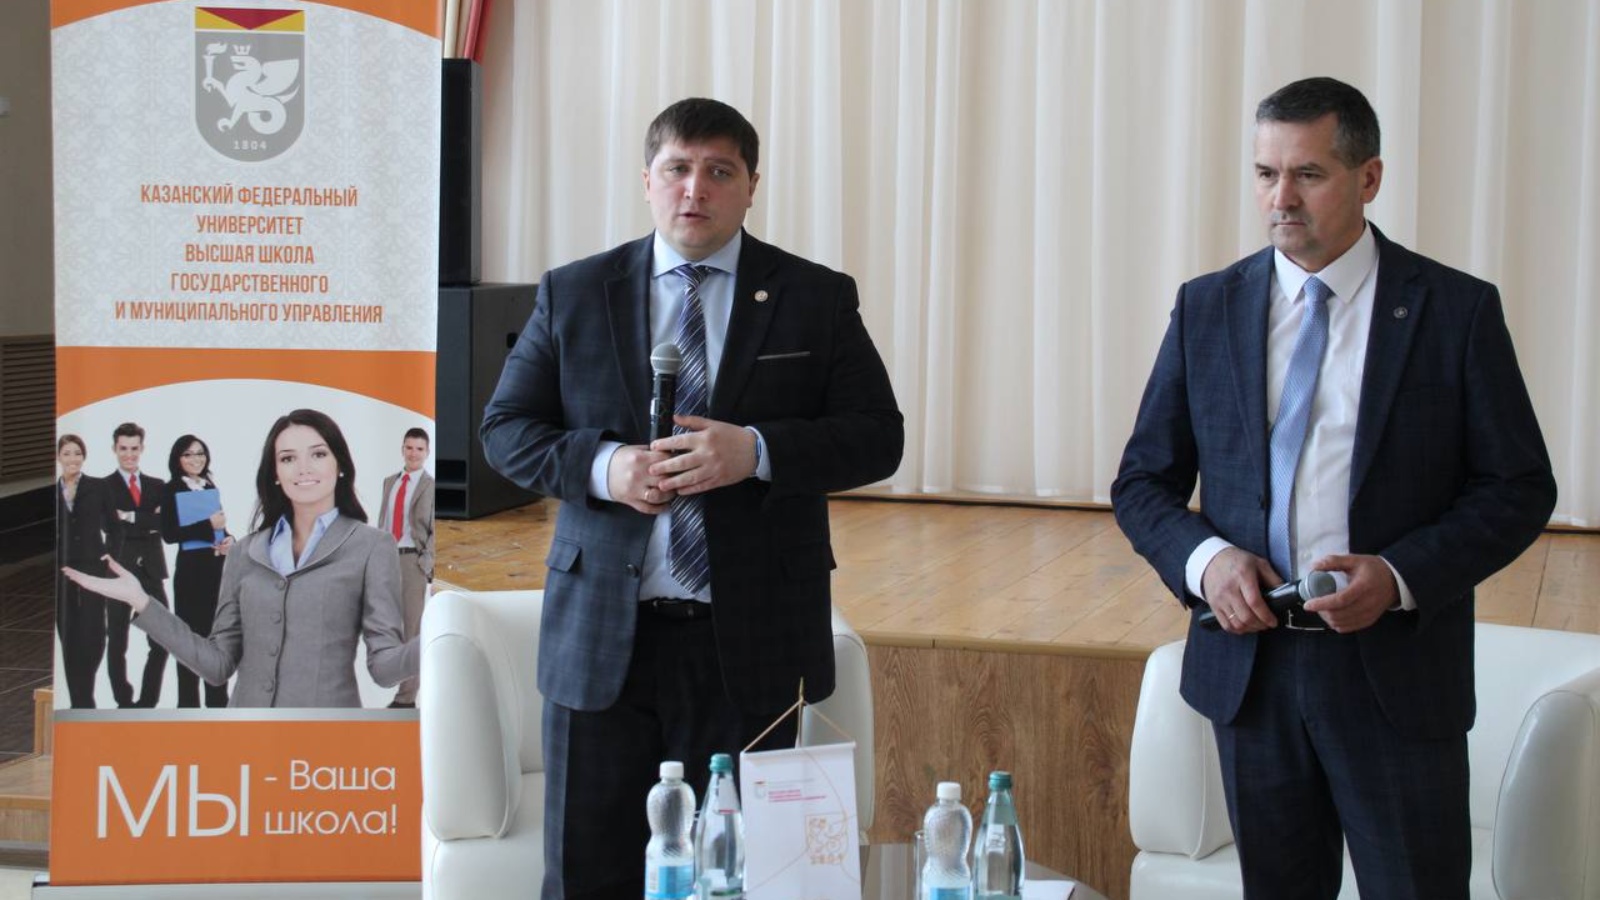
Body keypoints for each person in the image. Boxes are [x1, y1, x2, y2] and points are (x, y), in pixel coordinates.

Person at [1111, 76, 1556, 899]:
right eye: (1265, 173)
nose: (1281, 198)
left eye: (1308, 174)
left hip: (1394, 675)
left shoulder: (1454, 310)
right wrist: (1207, 562)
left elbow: (1519, 486)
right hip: (1252, 671)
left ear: (1369, 177)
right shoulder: (1207, 307)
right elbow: (1142, 481)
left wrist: (1399, 576)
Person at [480, 97, 903, 897]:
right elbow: (505, 431)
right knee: (586, 878)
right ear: (647, 180)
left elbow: (879, 437)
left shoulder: (814, 296)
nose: (694, 190)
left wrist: (758, 452)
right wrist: (607, 468)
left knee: (741, 879)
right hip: (603, 644)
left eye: (719, 172)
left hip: (751, 644)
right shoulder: (576, 292)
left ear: (751, 187)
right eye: (676, 169)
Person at [66, 409, 419, 708]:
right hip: (244, 742)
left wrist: (436, 637)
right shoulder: (244, 552)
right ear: (276, 473)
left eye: (318, 454)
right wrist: (141, 601)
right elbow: (218, 664)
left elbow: (384, 669)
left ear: (340, 463)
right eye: (288, 458)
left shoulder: (372, 546)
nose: (303, 468)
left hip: (327, 746)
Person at [100, 422, 171, 708]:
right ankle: (124, 703)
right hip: (119, 571)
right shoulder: (103, 487)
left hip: (152, 570)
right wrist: (147, 520)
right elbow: (108, 525)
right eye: (123, 448)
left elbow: (164, 524)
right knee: (117, 640)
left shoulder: (158, 485)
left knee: (163, 638)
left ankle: (147, 704)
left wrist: (128, 516)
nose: (129, 454)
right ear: (114, 449)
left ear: (142, 448)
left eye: (134, 448)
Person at [160, 434, 234, 708]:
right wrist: (207, 525)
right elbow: (169, 534)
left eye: (200, 453)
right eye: (188, 454)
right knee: (189, 642)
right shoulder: (171, 489)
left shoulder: (209, 485)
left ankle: (218, 705)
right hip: (191, 573)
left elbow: (220, 527)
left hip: (216, 569)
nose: (196, 459)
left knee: (218, 640)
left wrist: (229, 540)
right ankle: (188, 707)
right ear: (178, 459)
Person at [375, 427, 434, 709]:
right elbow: (383, 521)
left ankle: (406, 697)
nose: (413, 453)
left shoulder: (430, 486)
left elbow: (434, 529)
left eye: (419, 449)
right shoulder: (390, 482)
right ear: (402, 449)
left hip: (412, 561)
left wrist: (425, 564)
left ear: (427, 452)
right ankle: (387, 682)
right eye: (409, 447)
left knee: (411, 628)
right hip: (386, 559)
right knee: (386, 625)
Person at [55, 434, 108, 709]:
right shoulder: (53, 492)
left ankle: (84, 692)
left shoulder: (97, 487)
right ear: (59, 457)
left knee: (94, 632)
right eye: (67, 453)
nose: (72, 458)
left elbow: (114, 527)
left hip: (92, 566)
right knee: (69, 632)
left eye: (77, 453)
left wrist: (110, 557)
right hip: (62, 567)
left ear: (84, 456)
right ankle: (80, 700)